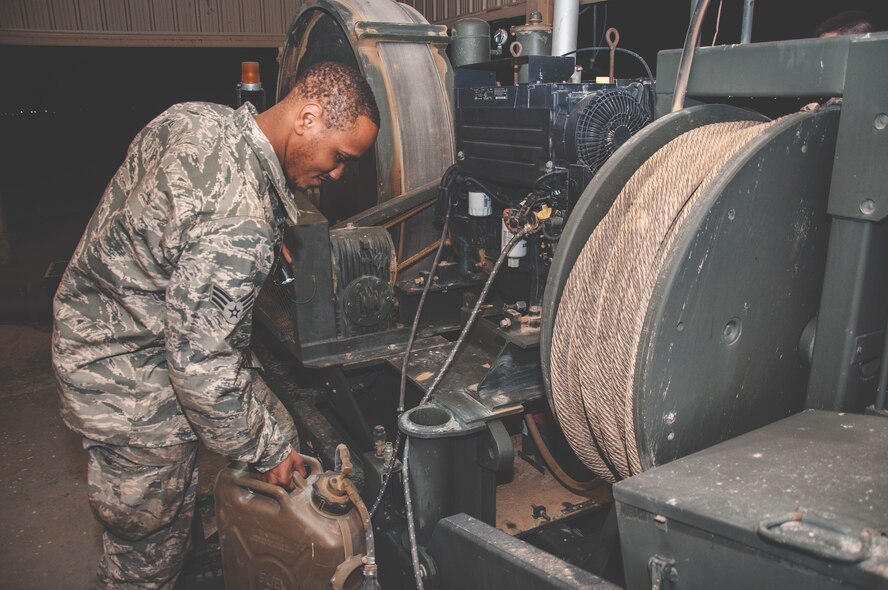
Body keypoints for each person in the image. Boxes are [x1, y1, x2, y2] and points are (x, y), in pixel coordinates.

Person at [51, 60, 379, 589]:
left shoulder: (195, 118)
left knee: (275, 427)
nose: (338, 173)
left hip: (98, 325)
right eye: (339, 156)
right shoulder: (238, 221)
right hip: (129, 383)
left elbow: (171, 209)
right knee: (147, 546)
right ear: (309, 117)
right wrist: (266, 451)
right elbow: (198, 365)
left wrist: (259, 228)